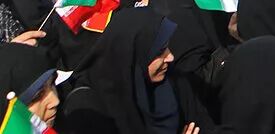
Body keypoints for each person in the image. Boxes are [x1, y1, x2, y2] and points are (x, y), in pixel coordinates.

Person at [59, 7, 204, 134]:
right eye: (159, 52)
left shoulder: (173, 80)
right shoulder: (87, 109)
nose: (170, 57)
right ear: (132, 56)